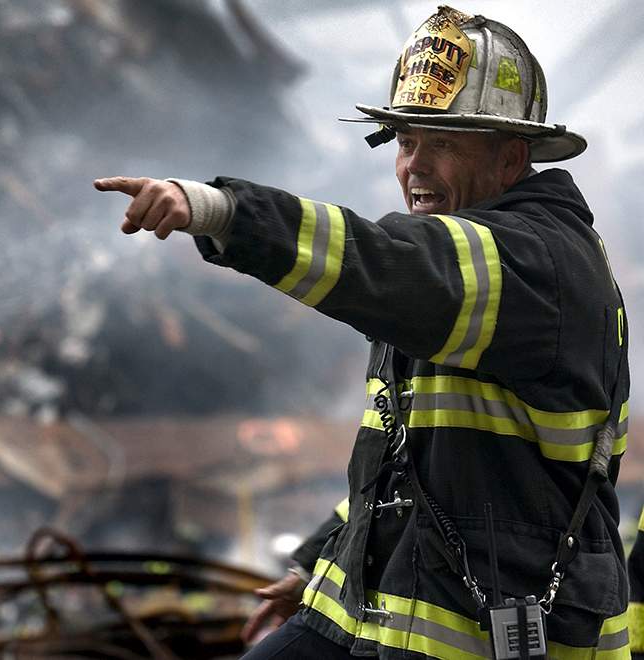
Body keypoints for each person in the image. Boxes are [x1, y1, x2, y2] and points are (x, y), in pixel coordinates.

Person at [95, 6, 629, 658]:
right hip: (378, 611)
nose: (415, 167)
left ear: (510, 158)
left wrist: (223, 211)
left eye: (444, 142)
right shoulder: (468, 265)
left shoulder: (532, 264)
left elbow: (385, 261)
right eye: (406, 143)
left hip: (478, 634)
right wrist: (323, 559)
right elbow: (410, 459)